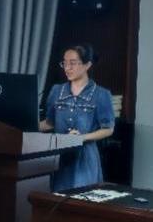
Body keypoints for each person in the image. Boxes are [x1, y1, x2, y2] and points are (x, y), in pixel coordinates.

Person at [39, 44, 115, 192]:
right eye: (64, 63)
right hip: (59, 156)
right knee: (56, 199)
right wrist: (26, 124)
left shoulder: (101, 94)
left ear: (87, 65)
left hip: (85, 158)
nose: (67, 68)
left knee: (82, 199)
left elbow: (108, 129)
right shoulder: (56, 91)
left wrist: (81, 138)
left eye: (72, 63)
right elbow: (49, 123)